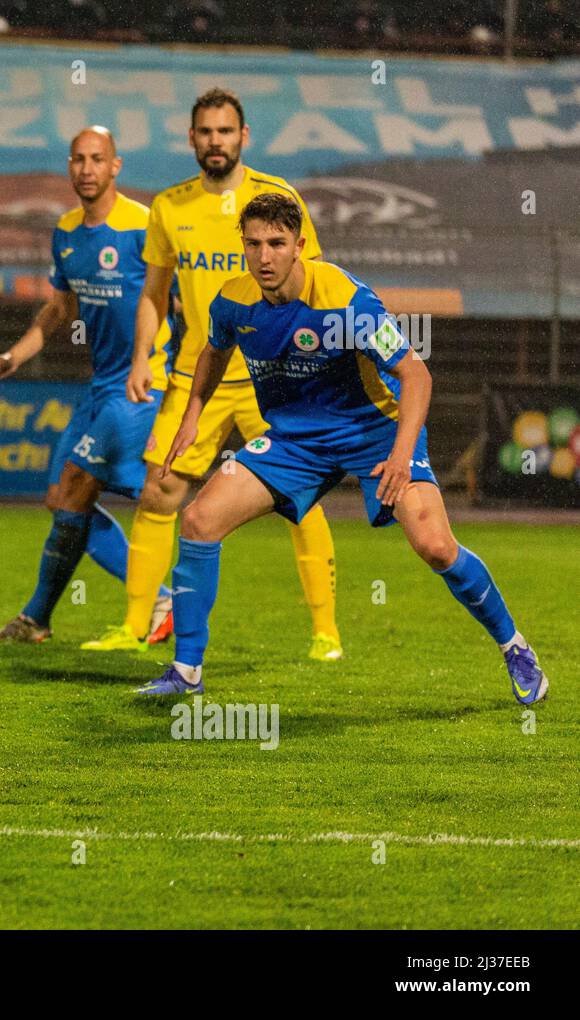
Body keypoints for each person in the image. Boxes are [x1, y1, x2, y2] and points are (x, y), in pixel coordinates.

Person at [137, 193, 549, 704]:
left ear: (299, 246)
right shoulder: (232, 301)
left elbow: (415, 375)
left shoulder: (346, 299)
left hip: (375, 432)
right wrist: (193, 412)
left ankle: (515, 647)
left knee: (435, 545)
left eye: (277, 244)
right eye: (253, 244)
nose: (264, 257)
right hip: (296, 441)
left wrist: (400, 456)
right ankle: (186, 672)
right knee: (198, 521)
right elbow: (213, 351)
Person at [114, 88, 343, 662]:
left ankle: (325, 632)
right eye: (206, 132)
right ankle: (133, 627)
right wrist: (142, 356)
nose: (216, 141)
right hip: (199, 377)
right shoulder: (170, 206)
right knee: (158, 493)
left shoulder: (277, 197)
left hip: (276, 381)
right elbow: (153, 294)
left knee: (302, 499)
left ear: (244, 137)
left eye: (225, 131)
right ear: (192, 139)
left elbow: (310, 280)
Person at [0, 126, 173, 645]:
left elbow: (166, 298)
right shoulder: (66, 231)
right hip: (102, 384)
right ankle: (39, 620)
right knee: (59, 498)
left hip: (142, 380)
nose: (86, 168)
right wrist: (14, 354)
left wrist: (145, 360)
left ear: (116, 166)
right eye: (77, 159)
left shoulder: (143, 226)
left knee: (76, 489)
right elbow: (60, 307)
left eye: (97, 159)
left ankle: (159, 595)